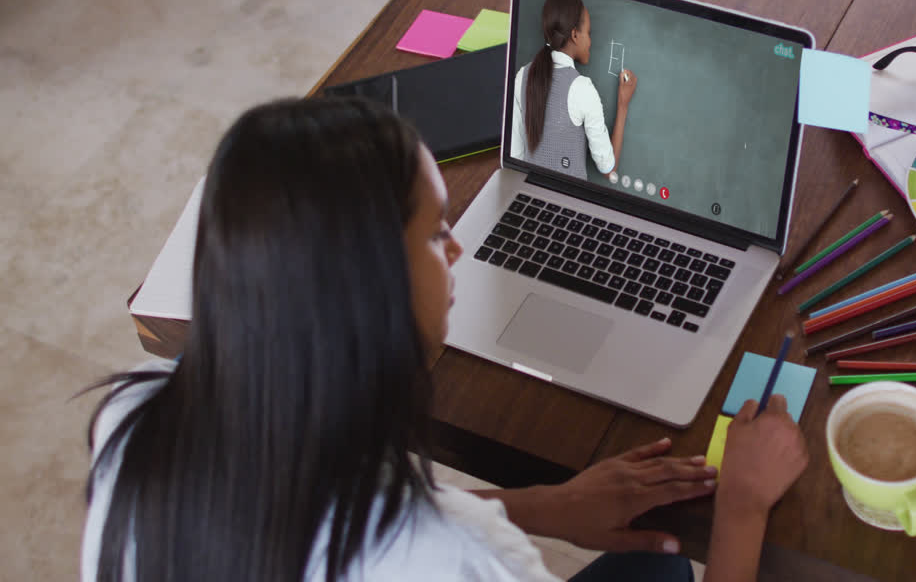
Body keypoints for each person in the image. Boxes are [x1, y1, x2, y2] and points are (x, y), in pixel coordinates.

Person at [82, 97, 808, 582]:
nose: (458, 248)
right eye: (435, 233)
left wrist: (542, 507)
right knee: (668, 564)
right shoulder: (454, 560)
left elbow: (327, 518)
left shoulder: (134, 420)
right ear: (371, 292)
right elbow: (422, 541)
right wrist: (742, 506)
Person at [511, 0, 636, 180]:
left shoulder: (522, 76)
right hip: (568, 203)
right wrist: (623, 104)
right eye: (589, 33)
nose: (591, 42)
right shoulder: (582, 88)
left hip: (528, 193)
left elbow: (516, 157)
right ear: (575, 35)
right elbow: (608, 169)